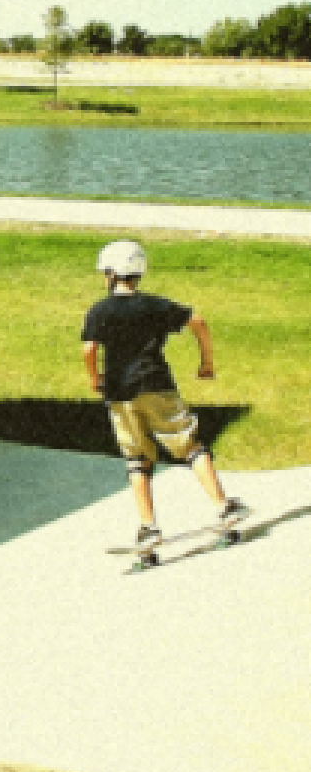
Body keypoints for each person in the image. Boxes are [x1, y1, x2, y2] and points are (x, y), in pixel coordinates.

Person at [81, 239, 248, 560]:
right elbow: (198, 322)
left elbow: (89, 348)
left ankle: (148, 527)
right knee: (190, 446)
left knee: (137, 459)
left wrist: (94, 378)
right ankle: (224, 508)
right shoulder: (155, 306)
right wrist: (207, 362)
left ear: (113, 274)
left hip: (119, 394)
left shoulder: (99, 310)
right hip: (157, 385)